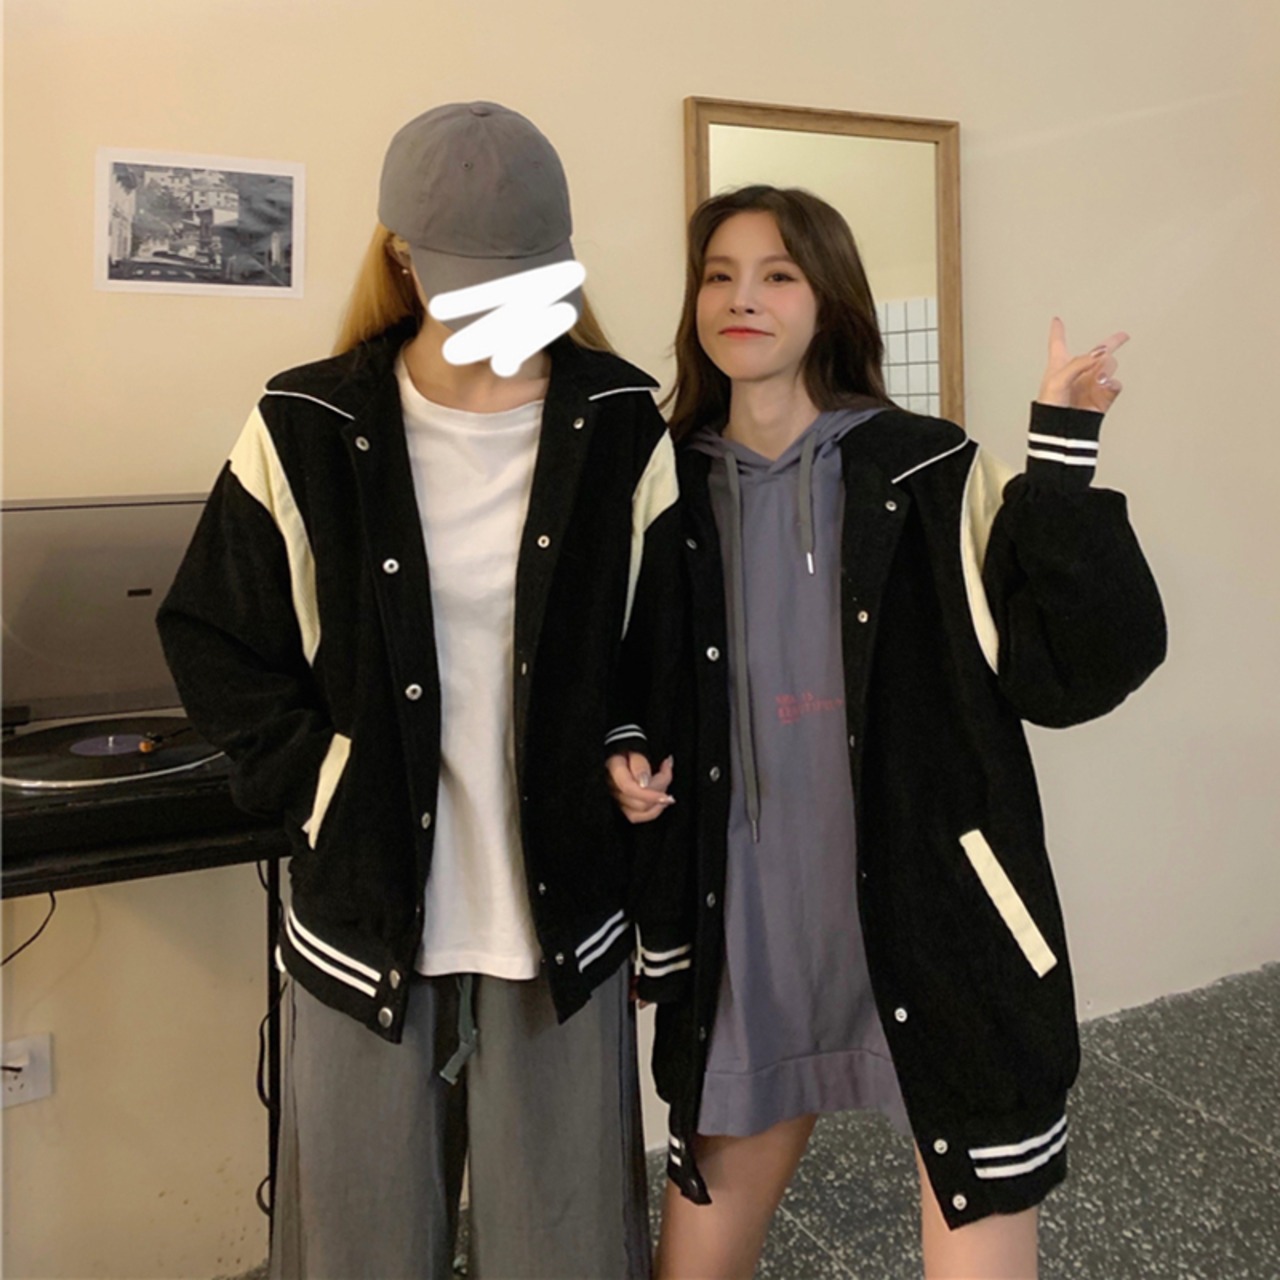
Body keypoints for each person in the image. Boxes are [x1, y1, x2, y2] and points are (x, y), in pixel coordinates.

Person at [158, 102, 690, 1280]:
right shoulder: (304, 423)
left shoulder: (618, 422)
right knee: (360, 1246)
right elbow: (210, 633)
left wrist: (625, 742)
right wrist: (322, 782)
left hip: (557, 911)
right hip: (365, 908)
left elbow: (661, 644)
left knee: (565, 1247)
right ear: (401, 257)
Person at [608, 184, 1167, 1279]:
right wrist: (622, 750)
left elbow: (1075, 666)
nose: (742, 298)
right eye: (719, 275)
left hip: (937, 921)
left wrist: (1060, 452)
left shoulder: (927, 470)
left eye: (777, 275)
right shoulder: (663, 488)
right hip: (750, 933)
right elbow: (622, 670)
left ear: (830, 299)